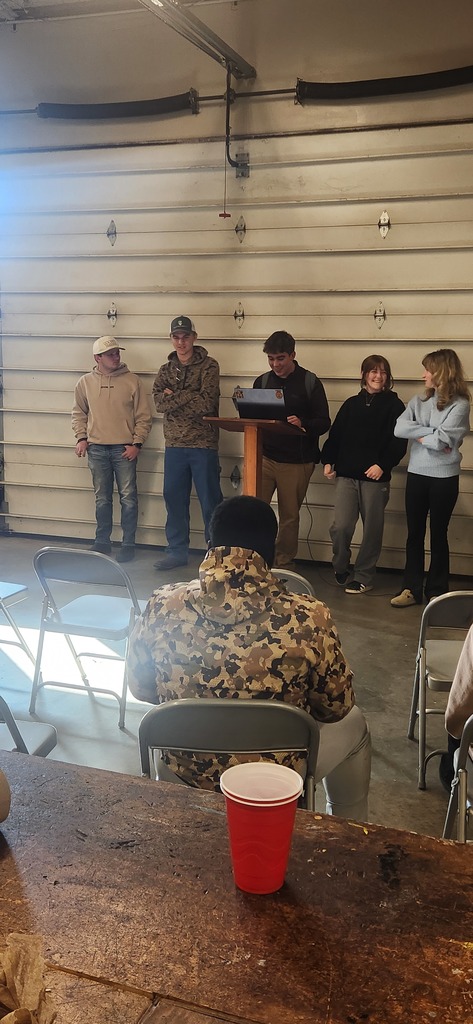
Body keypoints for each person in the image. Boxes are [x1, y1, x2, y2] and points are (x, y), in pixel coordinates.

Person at [127, 495, 371, 821]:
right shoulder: (310, 615)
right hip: (277, 778)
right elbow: (336, 707)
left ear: (210, 545)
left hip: (183, 769)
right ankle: (347, 835)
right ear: (271, 550)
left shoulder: (162, 603)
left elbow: (142, 690)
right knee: (356, 724)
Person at [321, 355, 407, 594]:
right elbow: (335, 436)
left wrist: (384, 464)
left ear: (388, 377)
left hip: (375, 479)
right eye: (373, 371)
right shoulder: (350, 404)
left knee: (372, 530)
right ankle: (340, 566)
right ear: (364, 374)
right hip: (346, 476)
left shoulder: (395, 406)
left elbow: (398, 442)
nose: (378, 376)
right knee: (341, 526)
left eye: (383, 372)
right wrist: (328, 460)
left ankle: (364, 577)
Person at [391, 348, 470, 607]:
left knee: (439, 533)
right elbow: (400, 428)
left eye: (428, 369)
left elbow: (444, 441)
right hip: (416, 475)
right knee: (414, 533)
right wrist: (432, 433)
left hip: (444, 478)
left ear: (441, 372)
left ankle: (436, 590)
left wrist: (424, 435)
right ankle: (410, 589)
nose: (424, 374)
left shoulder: (460, 405)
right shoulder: (418, 401)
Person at [253, 331, 330, 568]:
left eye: (280, 358)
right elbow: (251, 416)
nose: (275, 364)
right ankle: (256, 557)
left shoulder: (310, 382)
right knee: (256, 510)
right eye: (271, 359)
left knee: (289, 516)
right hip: (264, 457)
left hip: (297, 461)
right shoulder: (262, 382)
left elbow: (324, 422)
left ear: (293, 355)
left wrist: (303, 423)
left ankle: (283, 562)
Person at [72, 335, 152, 562]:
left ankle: (128, 544)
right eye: (110, 354)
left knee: (128, 498)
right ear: (97, 357)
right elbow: (79, 413)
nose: (116, 357)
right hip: (96, 448)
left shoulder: (133, 381)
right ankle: (102, 542)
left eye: (117, 353)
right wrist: (81, 438)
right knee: (102, 498)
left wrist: (137, 444)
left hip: (124, 449)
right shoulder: (85, 383)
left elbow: (144, 416)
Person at [152, 316, 222, 571]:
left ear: (194, 336)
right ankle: (176, 551)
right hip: (174, 445)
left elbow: (206, 404)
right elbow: (159, 403)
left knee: (210, 501)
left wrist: (176, 396)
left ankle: (215, 553)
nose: (181, 342)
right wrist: (189, 396)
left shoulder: (209, 367)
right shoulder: (165, 370)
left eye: (185, 336)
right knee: (174, 499)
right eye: (176, 337)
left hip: (203, 444)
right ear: (171, 339)